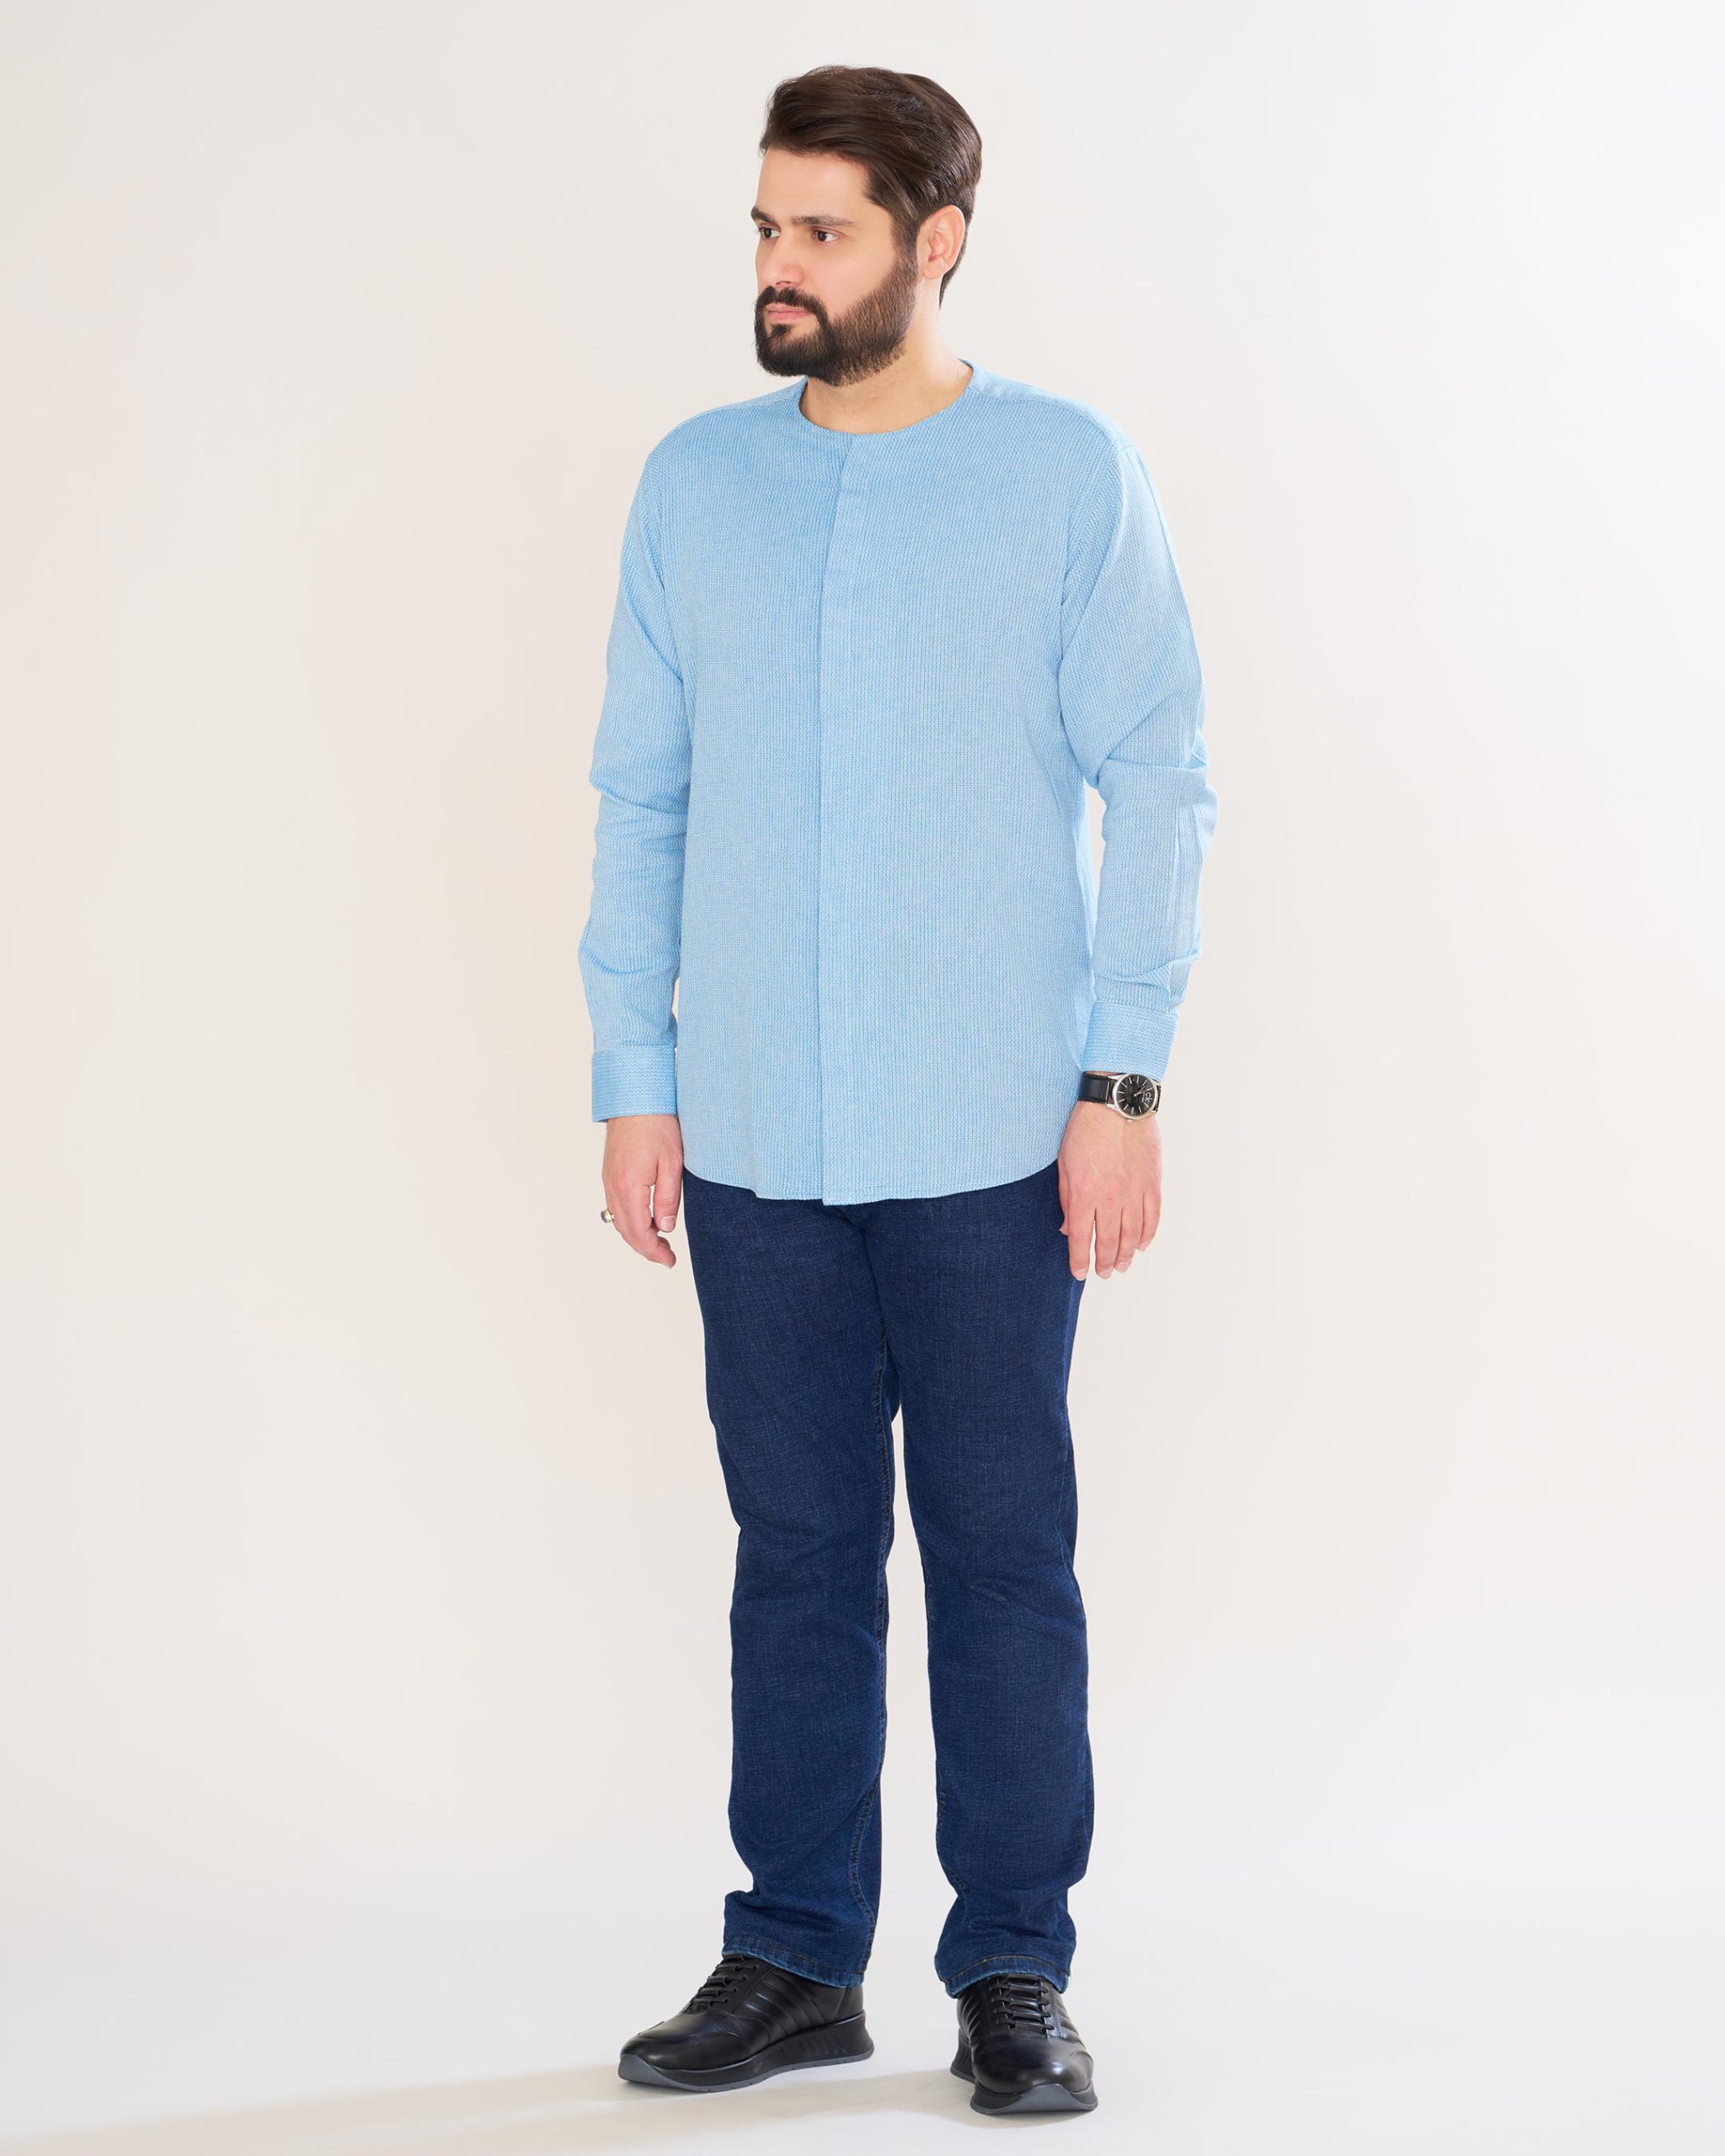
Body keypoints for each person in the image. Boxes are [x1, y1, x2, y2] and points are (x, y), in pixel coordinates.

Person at [579, 62, 1216, 2119]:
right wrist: (634, 1075)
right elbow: (642, 795)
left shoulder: (1065, 473)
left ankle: (1012, 1964)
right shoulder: (694, 483)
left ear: (935, 241)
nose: (779, 266)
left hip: (992, 1133)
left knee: (1002, 1548)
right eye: (766, 226)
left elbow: (1162, 775)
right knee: (794, 1547)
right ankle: (792, 1954)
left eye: (822, 231)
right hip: (755, 1127)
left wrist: (1122, 1077)